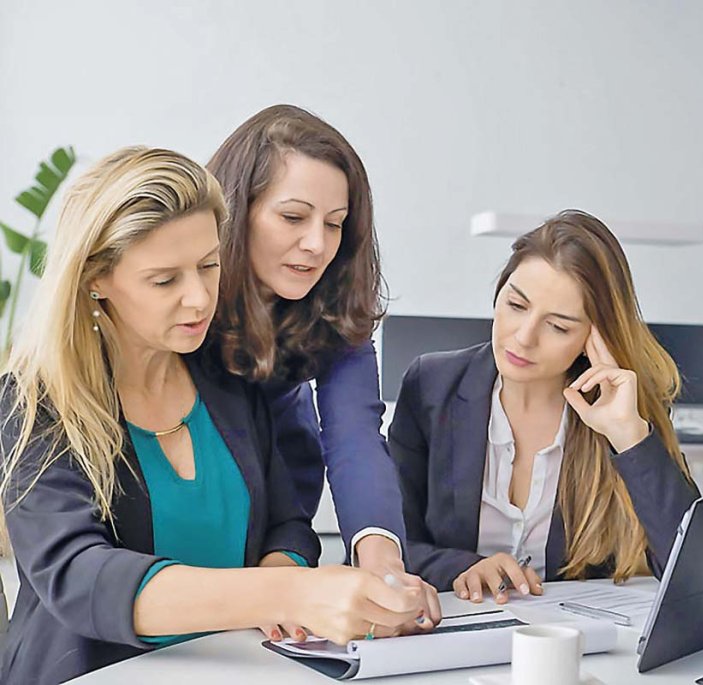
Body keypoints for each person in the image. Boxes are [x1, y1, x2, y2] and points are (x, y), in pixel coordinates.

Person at [0, 147, 424, 684]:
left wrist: (284, 581)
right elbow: (78, 576)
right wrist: (285, 592)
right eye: (164, 280)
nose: (199, 298)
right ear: (95, 279)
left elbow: (286, 524)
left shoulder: (227, 378)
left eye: (208, 265)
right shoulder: (36, 401)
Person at [388, 210, 701, 602]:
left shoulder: (622, 407)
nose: (523, 337)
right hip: (457, 628)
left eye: (558, 326)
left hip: (575, 643)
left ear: (595, 337)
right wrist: (460, 568)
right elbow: (386, 544)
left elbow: (695, 572)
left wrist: (629, 436)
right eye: (516, 305)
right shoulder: (432, 386)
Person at [205, 107, 435, 615]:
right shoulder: (188, 313)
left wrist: (383, 563)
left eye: (335, 225)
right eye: (293, 217)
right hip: (193, 569)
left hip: (284, 553)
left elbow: (355, 439)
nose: (316, 244)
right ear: (236, 211)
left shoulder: (332, 313)